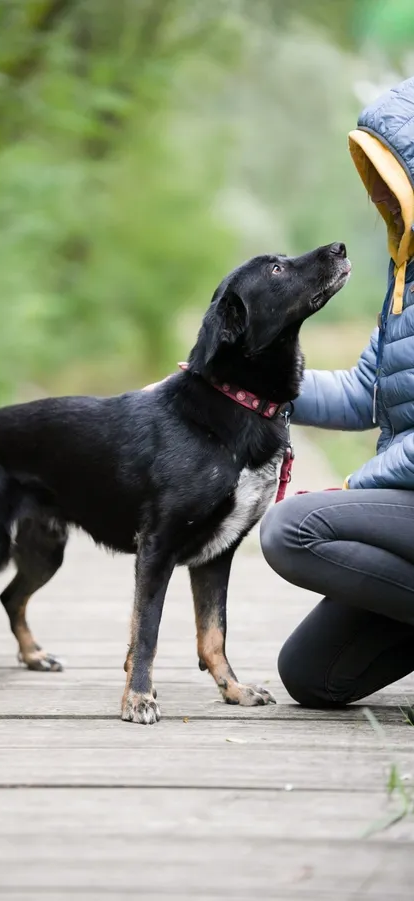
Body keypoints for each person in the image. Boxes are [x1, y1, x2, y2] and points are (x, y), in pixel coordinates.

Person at [260, 75, 414, 708]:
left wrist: (355, 486)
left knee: (290, 529)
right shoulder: (406, 273)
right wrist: (235, 383)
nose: (375, 190)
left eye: (388, 172)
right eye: (370, 172)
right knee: (313, 674)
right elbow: (361, 393)